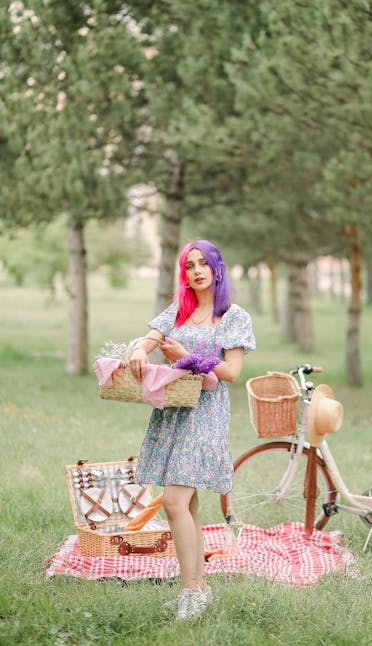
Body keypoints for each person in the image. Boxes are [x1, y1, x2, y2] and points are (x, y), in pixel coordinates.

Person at [129, 239, 255, 620]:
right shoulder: (179, 311)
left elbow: (231, 372)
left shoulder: (233, 316)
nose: (197, 271)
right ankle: (199, 587)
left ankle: (189, 592)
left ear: (217, 268)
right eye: (189, 265)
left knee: (173, 501)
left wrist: (187, 358)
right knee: (189, 505)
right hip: (174, 411)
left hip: (206, 414)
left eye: (204, 263)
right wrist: (138, 348)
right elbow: (151, 337)